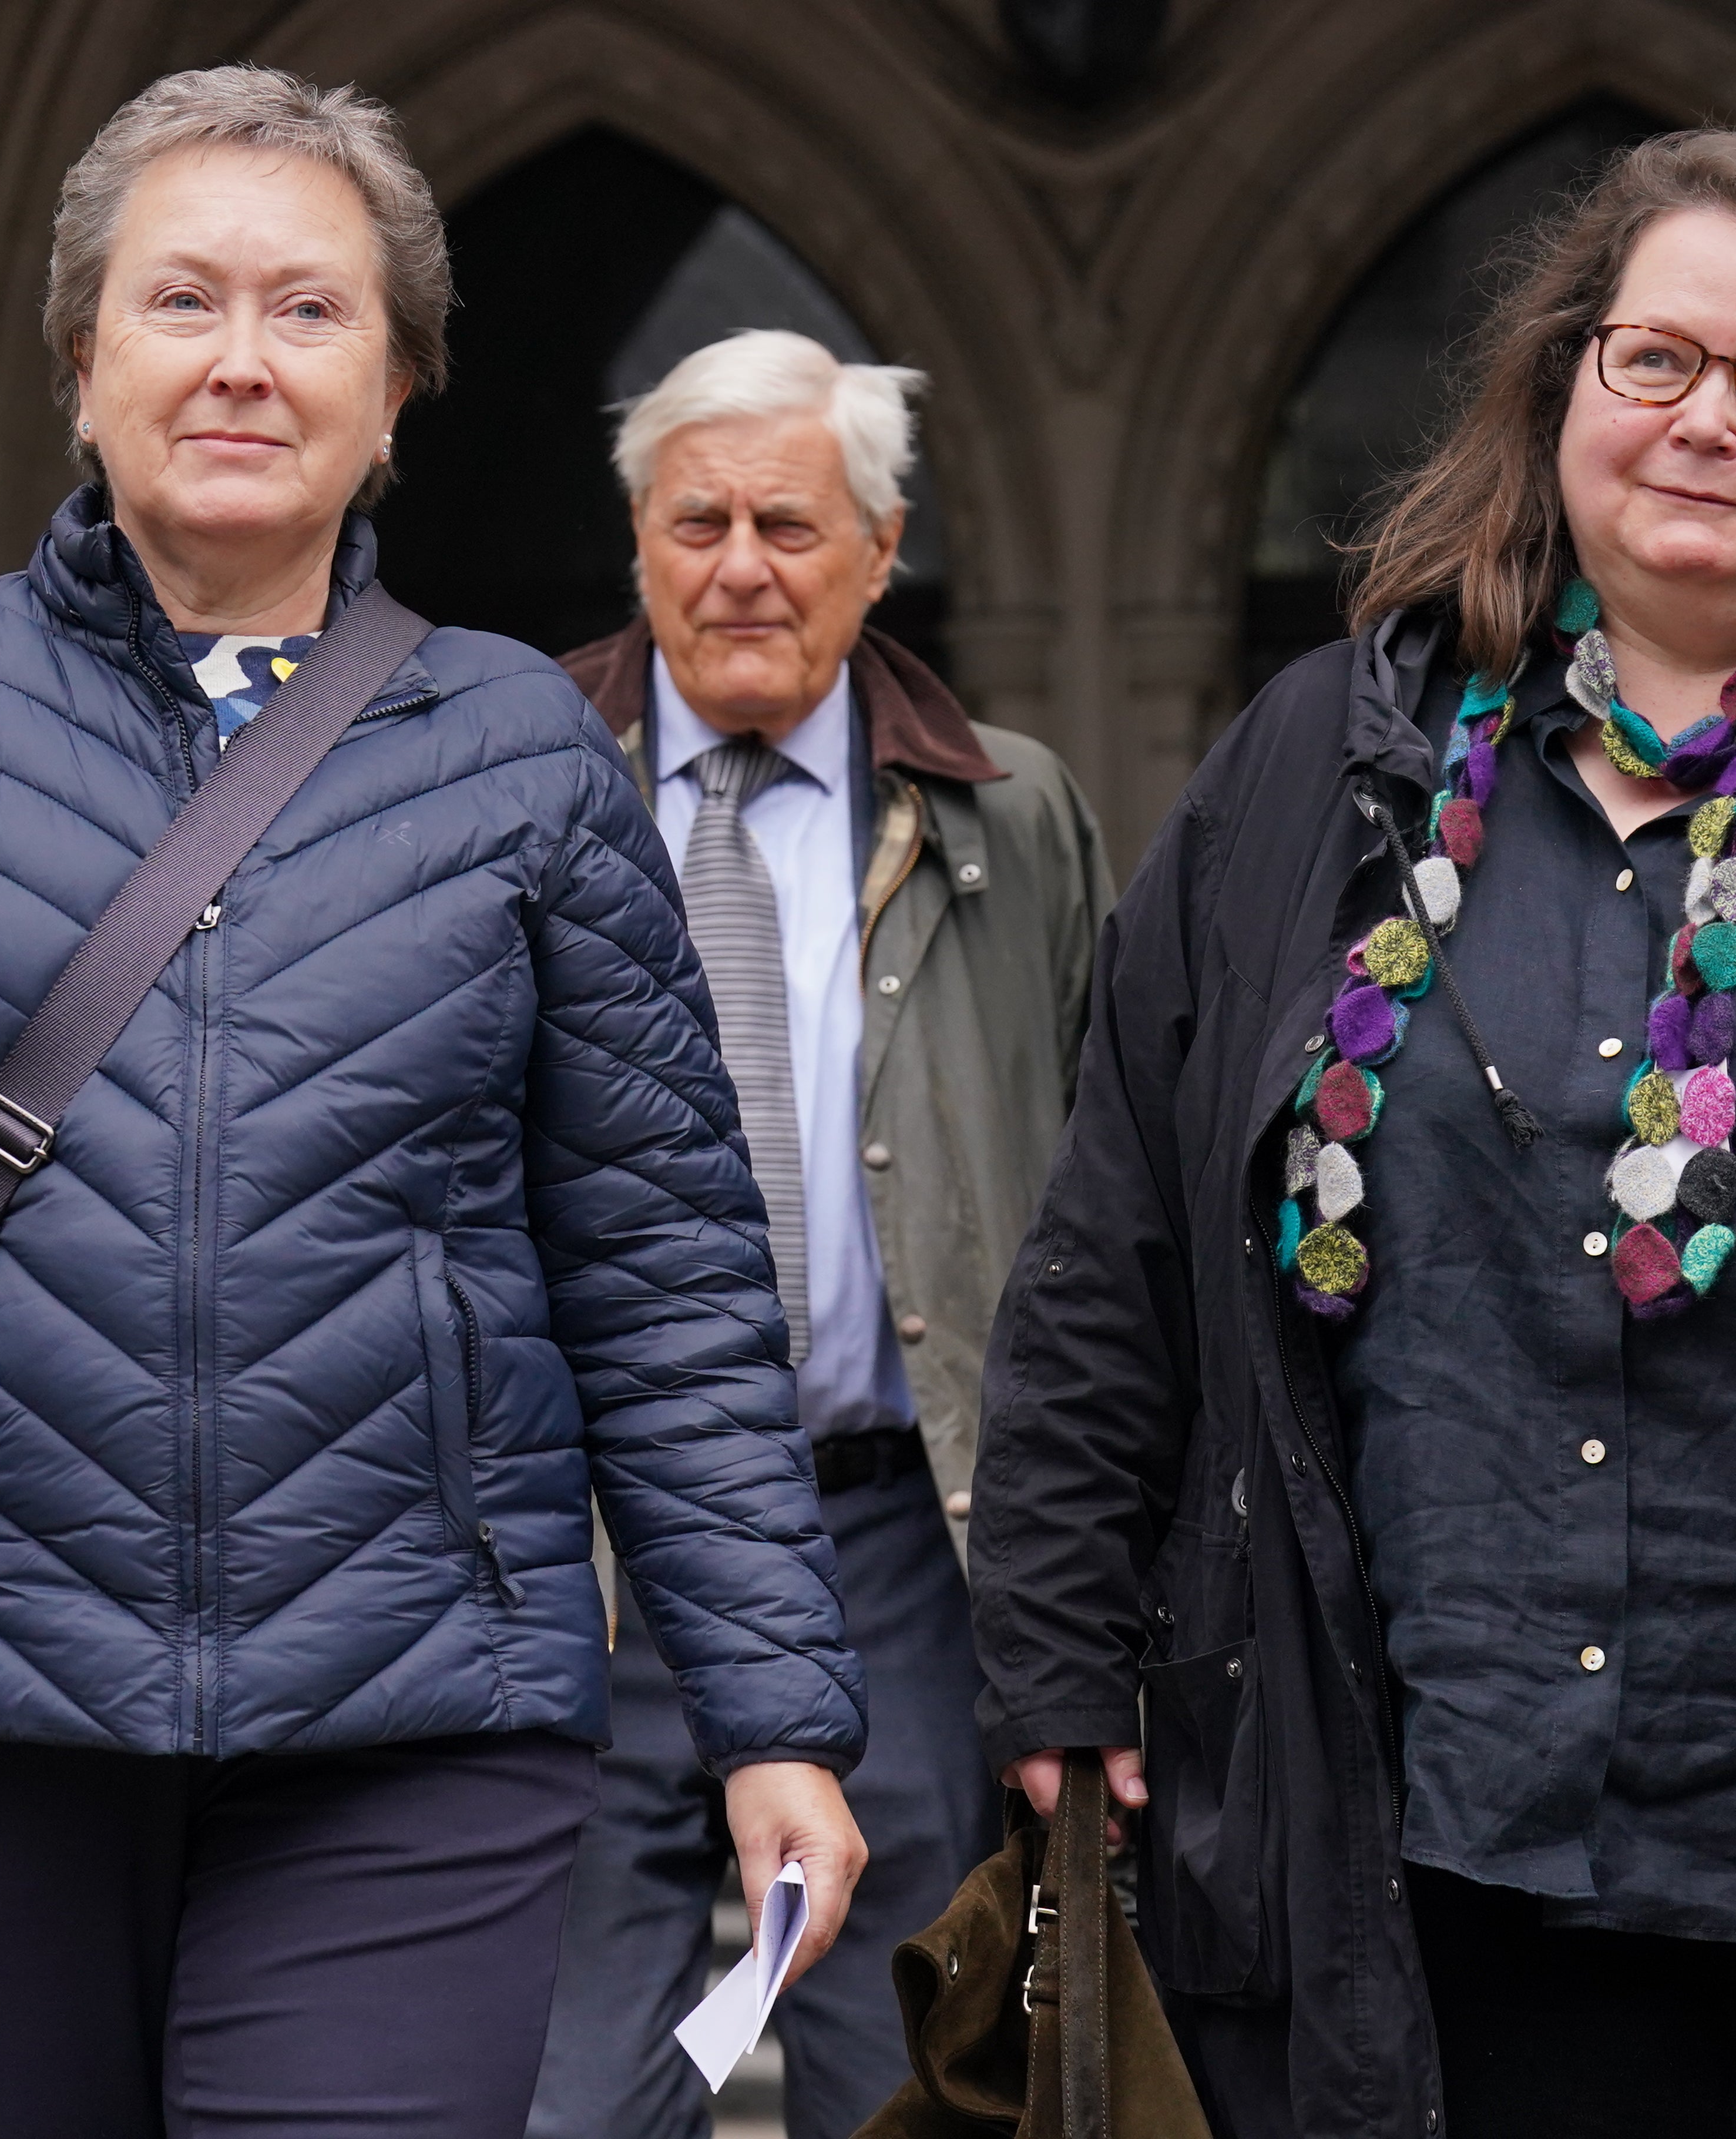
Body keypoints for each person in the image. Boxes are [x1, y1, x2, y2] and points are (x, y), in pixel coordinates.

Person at [0, 66, 867, 2139]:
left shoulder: (528, 759)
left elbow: (666, 1287)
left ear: (398, 392)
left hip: (417, 1717)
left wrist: (773, 1719)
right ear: (84, 364)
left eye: (311, 314)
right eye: (184, 305)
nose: (245, 366)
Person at [971, 132, 1736, 2135]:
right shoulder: (1323, 769)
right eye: (1654, 362)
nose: (1703, 424)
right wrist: (1049, 1650)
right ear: (1563, 388)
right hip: (1397, 1826)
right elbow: (1118, 1223)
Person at [534, 329, 1116, 2139]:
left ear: (881, 550)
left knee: (907, 2089)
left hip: (899, 1543)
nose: (739, 566)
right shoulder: (503, 778)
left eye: (790, 525)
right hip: (579, 1540)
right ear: (637, 539)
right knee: (566, 2097)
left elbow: (1113, 1210)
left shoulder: (1010, 821)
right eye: (694, 521)